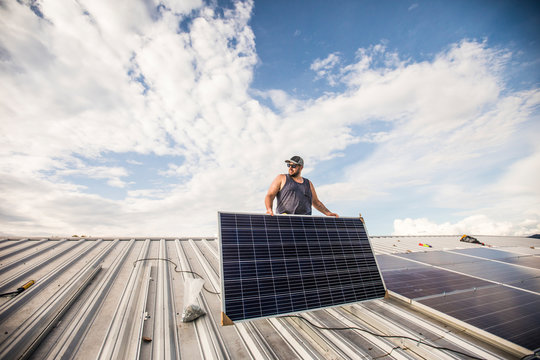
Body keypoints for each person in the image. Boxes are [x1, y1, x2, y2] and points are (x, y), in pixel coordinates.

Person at [265, 156, 338, 217]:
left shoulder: (308, 183)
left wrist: (328, 213)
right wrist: (269, 209)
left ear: (301, 167)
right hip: (285, 221)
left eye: (293, 166)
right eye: (288, 165)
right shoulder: (281, 178)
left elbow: (315, 202)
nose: (290, 168)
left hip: (305, 223)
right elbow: (270, 195)